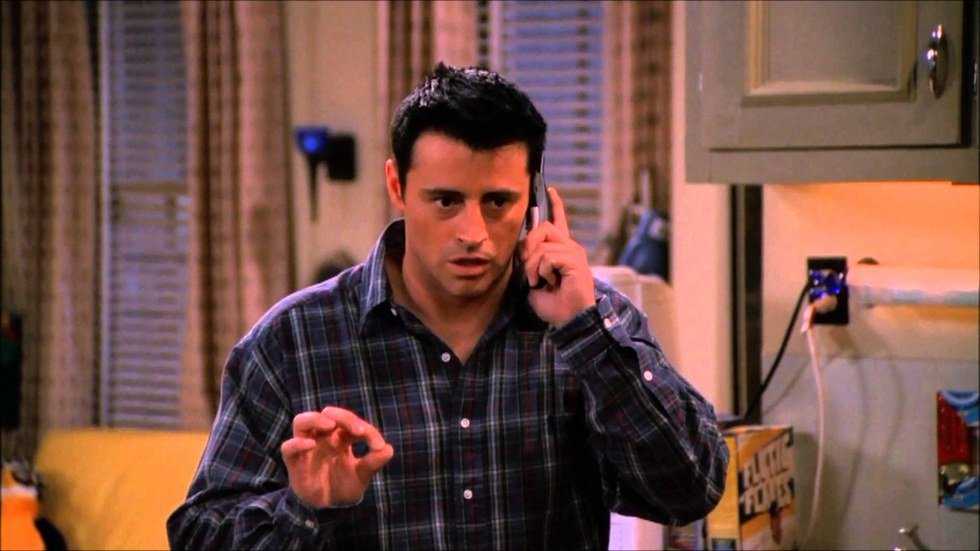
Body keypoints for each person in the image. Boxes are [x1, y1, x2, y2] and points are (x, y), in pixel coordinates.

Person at [168, 63, 728, 550]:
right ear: (397, 184)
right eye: (446, 201)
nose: (473, 233)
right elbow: (199, 534)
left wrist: (586, 332)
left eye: (498, 202)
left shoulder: (590, 322)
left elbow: (692, 489)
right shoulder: (293, 341)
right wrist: (305, 507)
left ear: (534, 201)